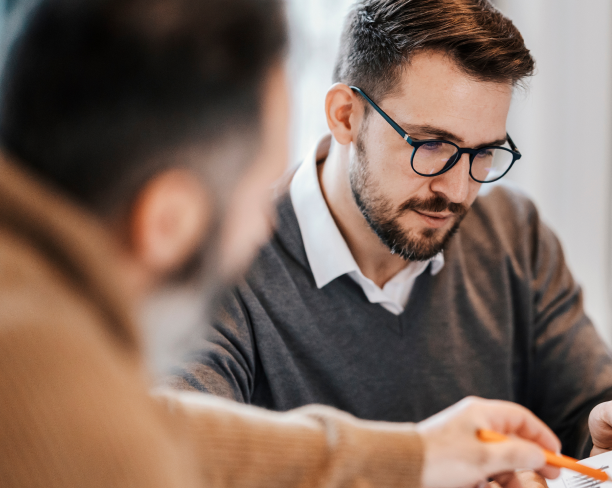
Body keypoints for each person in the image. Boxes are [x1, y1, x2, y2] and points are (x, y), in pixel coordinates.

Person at [0, 0, 565, 486]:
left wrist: (415, 457)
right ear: (166, 221)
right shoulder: (44, 390)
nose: (265, 229)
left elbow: (170, 430)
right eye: (253, 196)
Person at [168, 0, 612, 484]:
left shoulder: (512, 232)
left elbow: (590, 409)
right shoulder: (224, 258)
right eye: (431, 145)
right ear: (346, 116)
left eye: (483, 153)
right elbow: (180, 459)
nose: (457, 192)